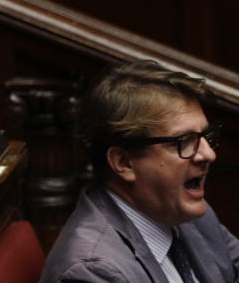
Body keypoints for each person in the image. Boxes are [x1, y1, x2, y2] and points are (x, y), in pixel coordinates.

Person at [41, 60, 239, 282]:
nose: (208, 154)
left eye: (205, 136)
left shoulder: (185, 212)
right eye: (184, 141)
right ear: (124, 163)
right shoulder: (93, 271)